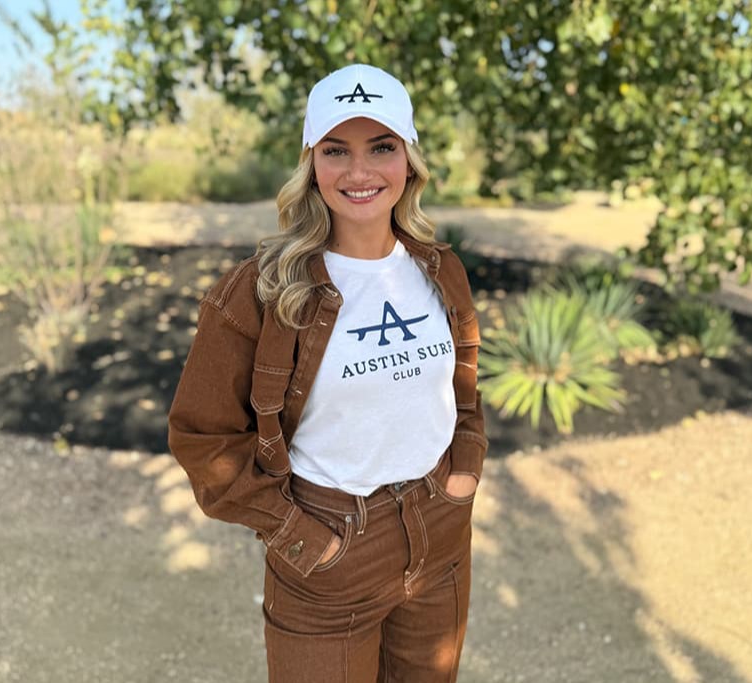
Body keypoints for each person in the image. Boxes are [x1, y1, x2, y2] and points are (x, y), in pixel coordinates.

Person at [167, 63, 488, 683]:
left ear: (409, 160)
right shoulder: (262, 290)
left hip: (441, 531)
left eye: (382, 147)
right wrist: (301, 537)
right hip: (329, 550)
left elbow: (464, 389)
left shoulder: (440, 269)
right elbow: (202, 436)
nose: (359, 171)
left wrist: (464, 472)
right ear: (311, 160)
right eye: (336, 149)